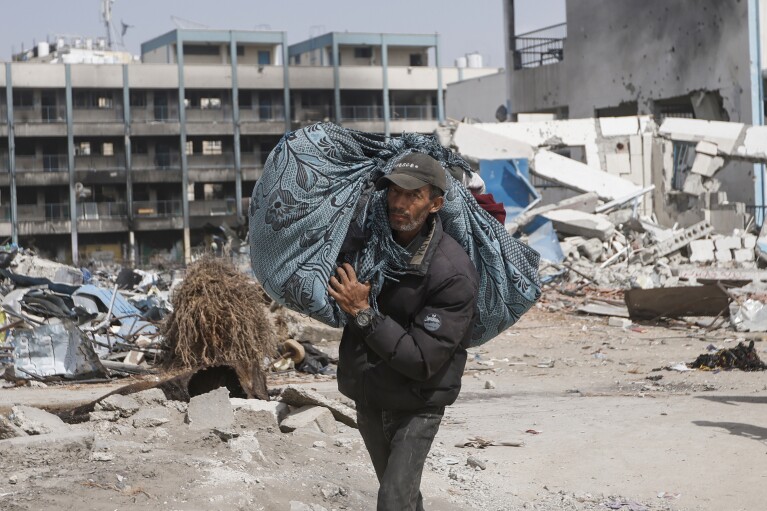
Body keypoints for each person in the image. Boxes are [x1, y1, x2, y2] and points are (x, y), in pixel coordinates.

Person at [328, 152, 480, 511]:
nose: (399, 203)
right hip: (370, 397)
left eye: (413, 195)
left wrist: (363, 313)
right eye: (394, 192)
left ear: (435, 204)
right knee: (404, 499)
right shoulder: (368, 246)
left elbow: (422, 359)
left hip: (417, 403)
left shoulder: (452, 273)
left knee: (393, 500)